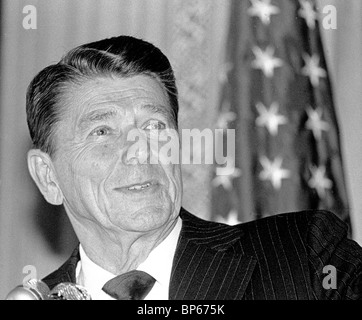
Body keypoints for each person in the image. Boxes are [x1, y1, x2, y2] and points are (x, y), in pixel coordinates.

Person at [25, 35, 362, 300]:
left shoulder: (302, 256)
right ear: (48, 176)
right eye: (102, 132)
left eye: (156, 127)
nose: (141, 151)